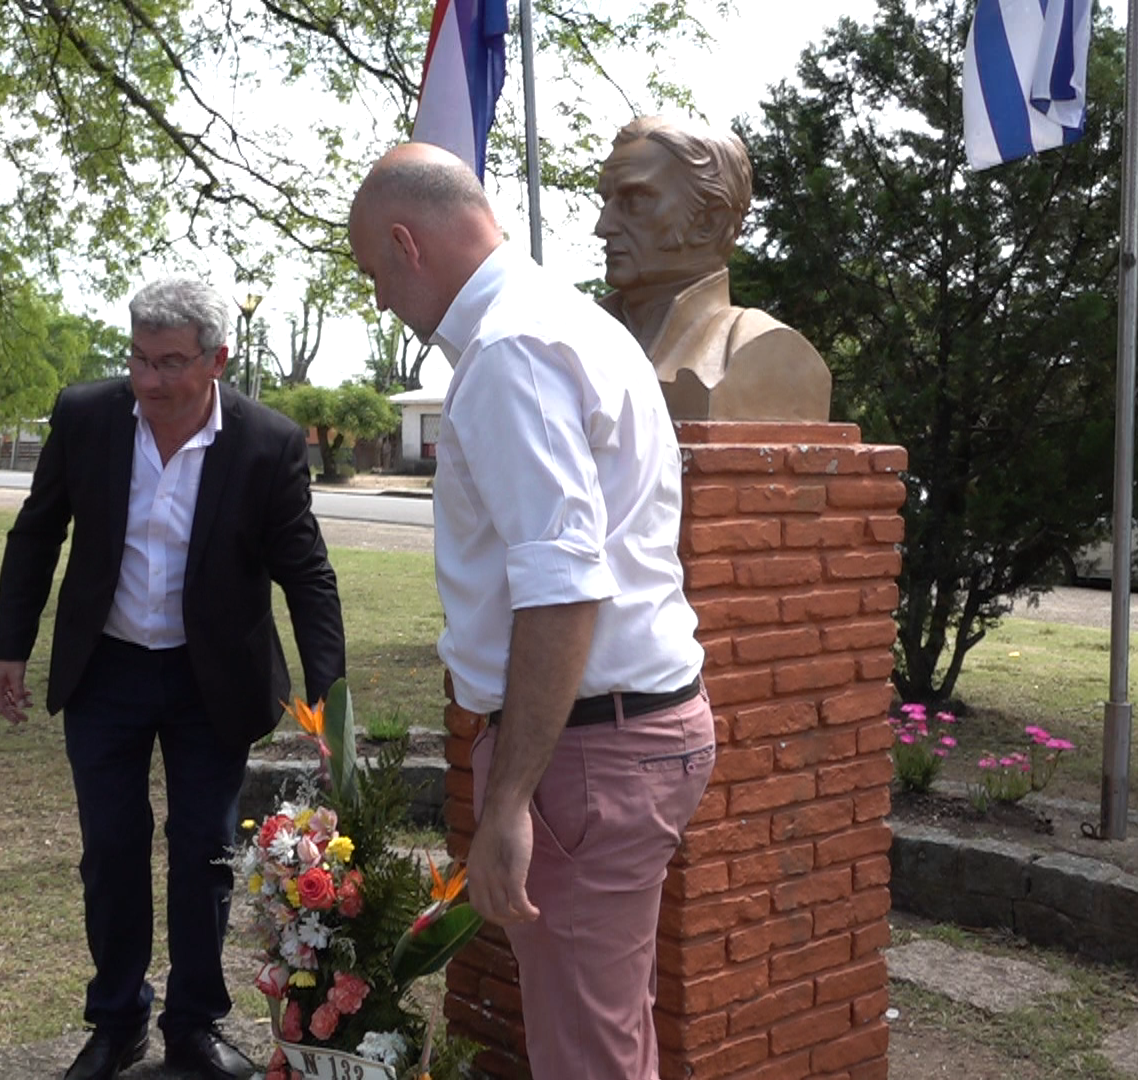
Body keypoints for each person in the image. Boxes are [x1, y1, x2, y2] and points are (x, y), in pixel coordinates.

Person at [348, 142, 715, 1079]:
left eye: (374, 273)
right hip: (620, 736)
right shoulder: (565, 320)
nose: (380, 298)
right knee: (605, 1028)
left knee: (585, 1053)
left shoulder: (512, 348)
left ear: (407, 242)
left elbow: (562, 581)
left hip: (585, 753)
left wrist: (507, 798)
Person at [0, 276, 346, 1080]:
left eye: (171, 363)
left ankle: (194, 1024)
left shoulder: (267, 442)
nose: (149, 382)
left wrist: (331, 692)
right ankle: (116, 1021)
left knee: (206, 851)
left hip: (209, 679)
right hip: (105, 671)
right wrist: (12, 646)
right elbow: (37, 532)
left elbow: (307, 573)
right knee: (110, 851)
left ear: (218, 359)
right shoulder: (87, 417)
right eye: (139, 360)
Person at [596, 114, 834, 422]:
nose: (603, 226)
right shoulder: (572, 343)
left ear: (709, 222)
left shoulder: (765, 351)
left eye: (635, 201)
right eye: (606, 201)